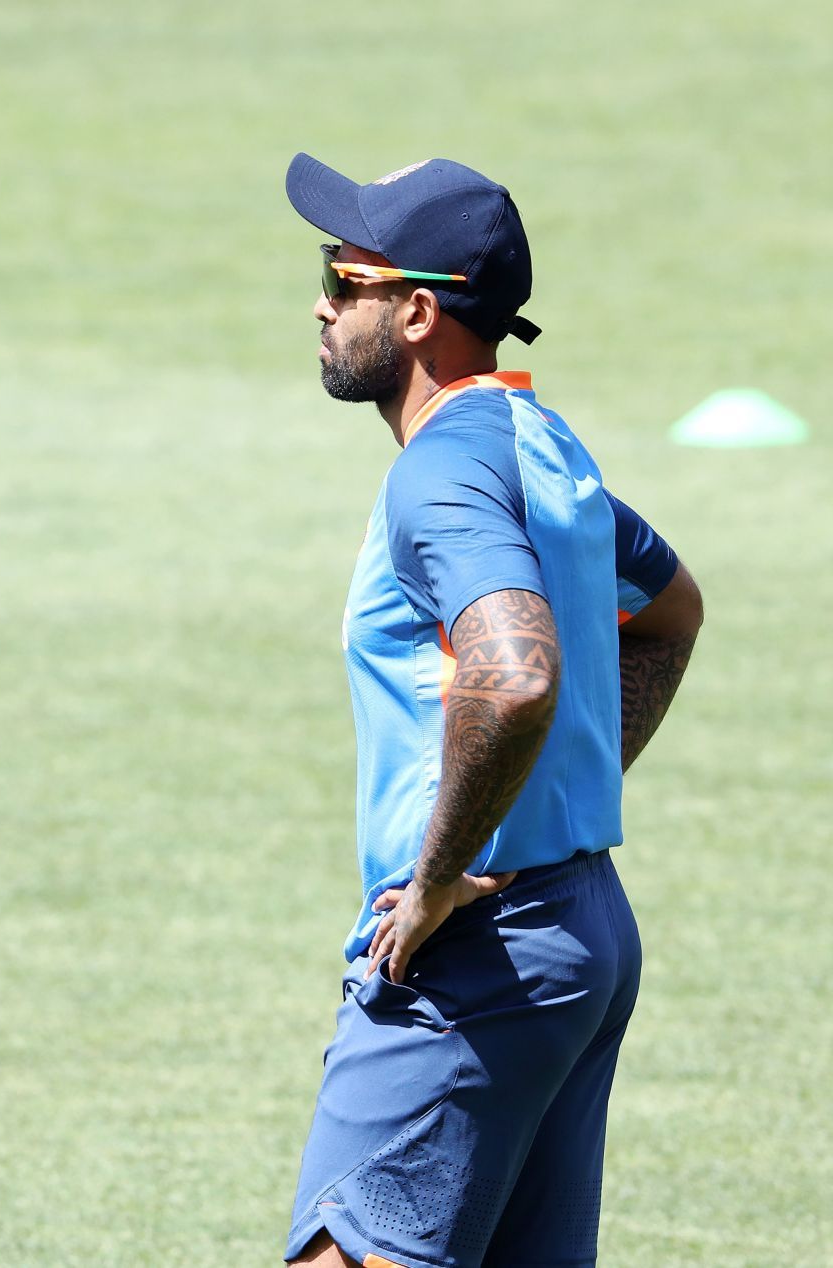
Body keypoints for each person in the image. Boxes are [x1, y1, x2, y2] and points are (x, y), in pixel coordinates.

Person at [280, 154, 703, 1267]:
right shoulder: (542, 445)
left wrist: (431, 885)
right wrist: (561, 786)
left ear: (418, 311)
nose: (321, 301)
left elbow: (512, 671)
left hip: (477, 955)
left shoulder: (440, 471)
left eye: (344, 275)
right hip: (581, 926)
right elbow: (669, 610)